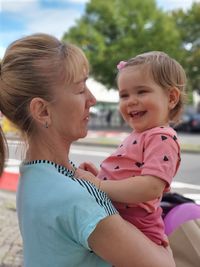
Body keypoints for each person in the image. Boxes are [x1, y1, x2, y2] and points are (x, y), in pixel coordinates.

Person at [0, 34, 175, 267]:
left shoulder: (33, 174)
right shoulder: (77, 197)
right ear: (42, 111)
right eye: (81, 89)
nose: (91, 99)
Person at [75, 51, 186, 255]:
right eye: (124, 95)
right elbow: (128, 174)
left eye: (141, 92)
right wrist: (100, 175)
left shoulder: (163, 138)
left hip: (141, 232)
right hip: (123, 225)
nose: (131, 101)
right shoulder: (141, 134)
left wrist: (100, 185)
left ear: (171, 98)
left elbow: (150, 187)